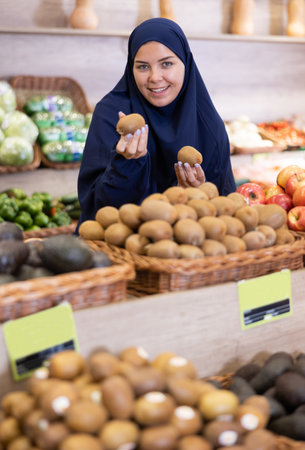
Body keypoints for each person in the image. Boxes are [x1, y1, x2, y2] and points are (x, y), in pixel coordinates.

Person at [77, 17, 236, 229]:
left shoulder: (208, 124)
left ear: (186, 64)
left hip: (185, 249)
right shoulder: (112, 114)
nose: (154, 77)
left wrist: (195, 194)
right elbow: (95, 208)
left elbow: (226, 216)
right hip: (117, 246)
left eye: (167, 64)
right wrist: (126, 165)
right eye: (142, 67)